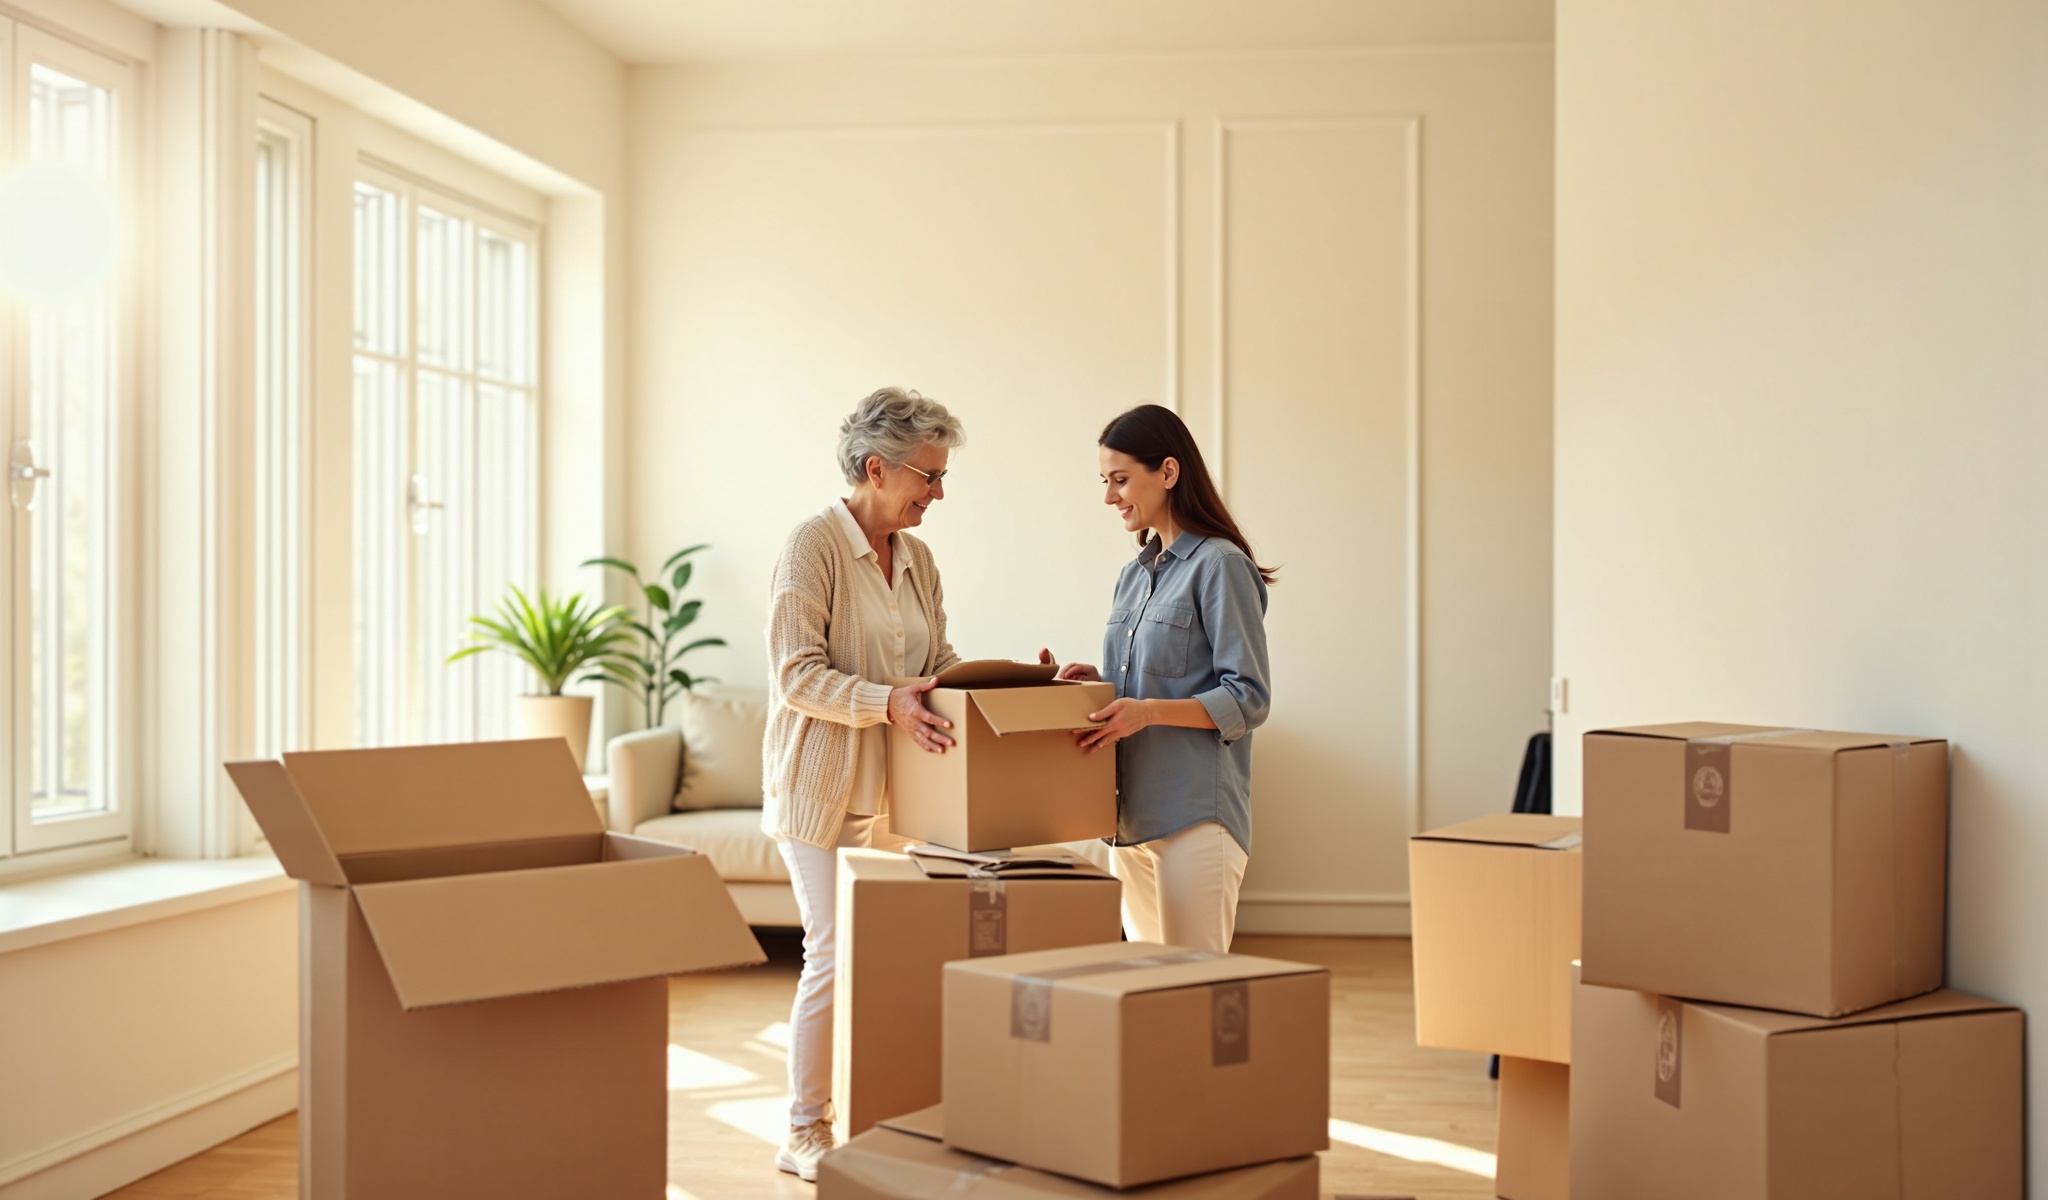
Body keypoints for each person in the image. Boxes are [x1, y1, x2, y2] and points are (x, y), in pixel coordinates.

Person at [762, 387, 964, 1180]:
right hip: (819, 795)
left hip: (897, 799)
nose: (938, 493)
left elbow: (937, 663)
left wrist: (1015, 683)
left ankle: (880, 1112)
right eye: (928, 476)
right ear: (877, 469)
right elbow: (795, 675)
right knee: (835, 952)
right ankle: (803, 1129)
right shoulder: (811, 546)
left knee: (887, 959)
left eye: (943, 477)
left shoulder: (918, 560)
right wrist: (887, 702)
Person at [1041, 404, 1274, 954]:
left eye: (1120, 480)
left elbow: (1248, 697)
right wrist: (1097, 683)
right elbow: (1157, 678)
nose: (1109, 496)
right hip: (1128, 819)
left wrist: (1145, 712)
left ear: (1168, 472)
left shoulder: (1220, 565)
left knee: (1194, 983)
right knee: (1149, 987)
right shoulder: (1132, 576)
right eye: (1105, 481)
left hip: (1194, 818)